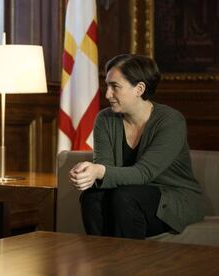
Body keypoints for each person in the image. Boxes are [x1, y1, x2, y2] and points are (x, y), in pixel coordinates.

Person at [69, 54, 205, 239]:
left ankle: (130, 264)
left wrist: (98, 171)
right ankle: (100, 260)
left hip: (171, 197)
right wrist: (87, 173)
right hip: (126, 195)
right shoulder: (105, 119)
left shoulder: (171, 121)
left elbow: (144, 173)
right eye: (107, 86)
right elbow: (105, 168)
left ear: (139, 89)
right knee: (91, 197)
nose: (107, 94)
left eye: (115, 87)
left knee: (125, 197)